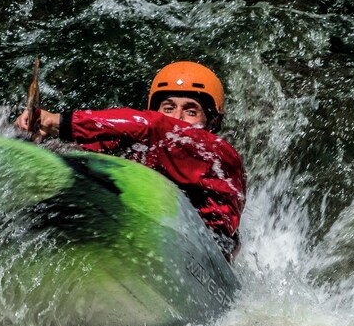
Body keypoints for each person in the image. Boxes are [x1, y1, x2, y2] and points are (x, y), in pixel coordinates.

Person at [15, 61, 246, 261]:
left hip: (209, 254)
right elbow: (97, 146)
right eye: (168, 108)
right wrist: (39, 136)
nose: (177, 118)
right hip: (153, 232)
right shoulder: (149, 146)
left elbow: (155, 126)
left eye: (191, 111)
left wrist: (60, 122)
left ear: (212, 122)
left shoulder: (219, 154)